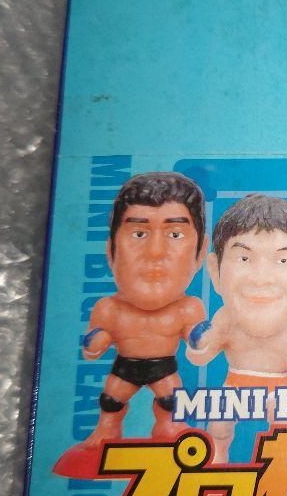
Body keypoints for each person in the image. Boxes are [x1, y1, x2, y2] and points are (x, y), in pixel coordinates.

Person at [54, 171, 207, 477]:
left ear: (200, 254)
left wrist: (204, 337)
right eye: (139, 233)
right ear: (111, 251)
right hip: (124, 367)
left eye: (175, 234)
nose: (155, 252)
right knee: (111, 399)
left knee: (172, 400)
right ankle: (107, 430)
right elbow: (94, 342)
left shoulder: (188, 308)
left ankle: (168, 427)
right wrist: (95, 342)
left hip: (164, 367)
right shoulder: (109, 309)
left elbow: (199, 339)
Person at [186, 194, 287, 462]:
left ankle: (285, 466)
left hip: (278, 388)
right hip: (236, 384)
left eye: (283, 260)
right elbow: (201, 356)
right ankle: (216, 460)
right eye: (244, 258)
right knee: (219, 428)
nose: (261, 279)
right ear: (215, 271)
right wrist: (199, 344)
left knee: (286, 429)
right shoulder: (226, 318)